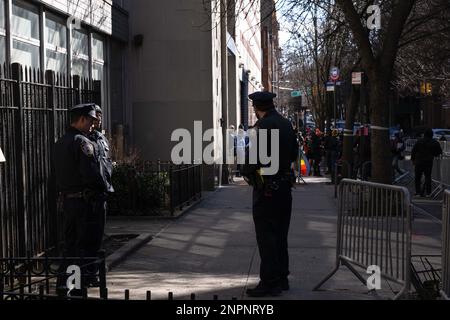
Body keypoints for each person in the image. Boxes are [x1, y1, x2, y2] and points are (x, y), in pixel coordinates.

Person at [242, 91, 298, 297]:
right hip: (284, 188)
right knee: (281, 235)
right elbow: (293, 153)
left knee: (267, 237)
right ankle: (282, 278)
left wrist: (245, 169)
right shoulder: (286, 124)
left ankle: (269, 282)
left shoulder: (262, 127)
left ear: (257, 108)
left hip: (267, 189)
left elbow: (250, 161)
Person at [54, 103, 110, 293]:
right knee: (85, 245)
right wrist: (103, 187)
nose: (93, 126)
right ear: (82, 119)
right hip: (86, 203)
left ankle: (64, 285)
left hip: (68, 201)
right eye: (91, 121)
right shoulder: (82, 142)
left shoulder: (60, 142)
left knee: (70, 245)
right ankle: (79, 287)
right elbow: (92, 174)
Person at [87, 105, 115, 284]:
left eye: (99, 117)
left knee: (97, 237)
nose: (98, 121)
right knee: (88, 238)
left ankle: (94, 272)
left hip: (102, 191)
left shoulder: (101, 138)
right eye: (95, 117)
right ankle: (89, 273)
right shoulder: (85, 139)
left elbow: (105, 162)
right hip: (91, 194)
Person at [411, 128, 443, 197]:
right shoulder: (434, 142)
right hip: (428, 162)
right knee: (428, 177)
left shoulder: (419, 141)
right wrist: (434, 154)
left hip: (419, 161)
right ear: (431, 135)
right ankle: (428, 193)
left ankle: (418, 192)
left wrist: (413, 159)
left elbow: (413, 151)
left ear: (424, 134)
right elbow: (439, 152)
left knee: (417, 177)